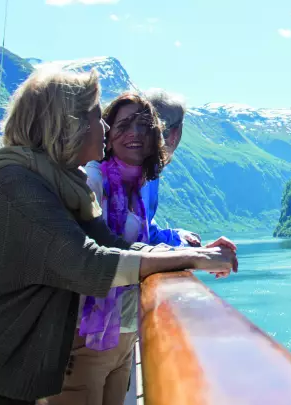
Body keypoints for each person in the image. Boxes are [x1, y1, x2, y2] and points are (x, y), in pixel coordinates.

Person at [0, 69, 237, 404]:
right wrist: (193, 258)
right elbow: (87, 262)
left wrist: (193, 253)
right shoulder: (18, 185)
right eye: (95, 116)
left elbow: (111, 244)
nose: (104, 128)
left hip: (17, 366)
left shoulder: (60, 183)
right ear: (66, 123)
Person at [50, 93, 235, 405]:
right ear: (107, 134)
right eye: (123, 125)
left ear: (156, 136)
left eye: (144, 126)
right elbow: (101, 251)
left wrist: (187, 245)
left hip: (122, 332)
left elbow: (141, 238)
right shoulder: (93, 180)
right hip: (85, 334)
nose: (134, 133)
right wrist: (193, 257)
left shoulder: (136, 183)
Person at [139, 88, 198, 246]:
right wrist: (186, 246)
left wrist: (177, 235)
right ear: (175, 133)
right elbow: (142, 235)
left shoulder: (142, 161)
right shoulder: (142, 168)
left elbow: (146, 228)